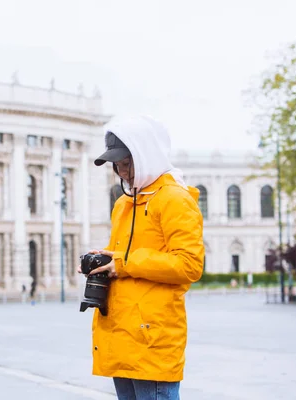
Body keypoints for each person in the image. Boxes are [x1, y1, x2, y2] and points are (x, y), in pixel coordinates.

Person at [82, 115, 205, 400]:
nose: (123, 172)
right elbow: (123, 258)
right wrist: (105, 261)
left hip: (152, 337)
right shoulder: (124, 203)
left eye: (128, 163)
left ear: (146, 155)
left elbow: (189, 265)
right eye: (118, 166)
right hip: (119, 331)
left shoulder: (174, 198)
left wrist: (124, 263)